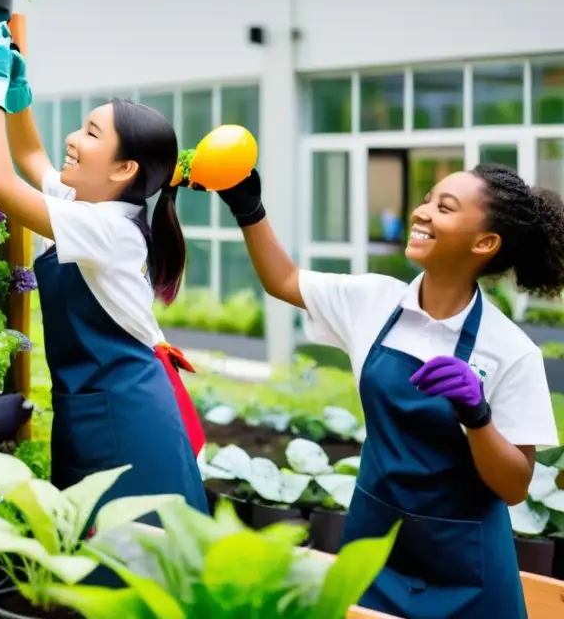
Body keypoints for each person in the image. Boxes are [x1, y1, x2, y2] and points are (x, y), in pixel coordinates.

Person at [192, 162, 561, 618]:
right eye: (426, 199)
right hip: (375, 545)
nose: (421, 213)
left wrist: (477, 417)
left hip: (466, 566)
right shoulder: (373, 301)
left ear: (484, 243)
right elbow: (284, 281)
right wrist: (248, 208)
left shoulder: (510, 350)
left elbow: (514, 486)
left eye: (443, 208)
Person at [0, 11, 208, 516]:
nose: (73, 139)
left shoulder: (109, 231)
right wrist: (16, 91)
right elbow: (30, 156)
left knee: (128, 569)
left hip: (128, 424)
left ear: (124, 169)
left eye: (91, 134)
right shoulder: (89, 204)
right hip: (98, 410)